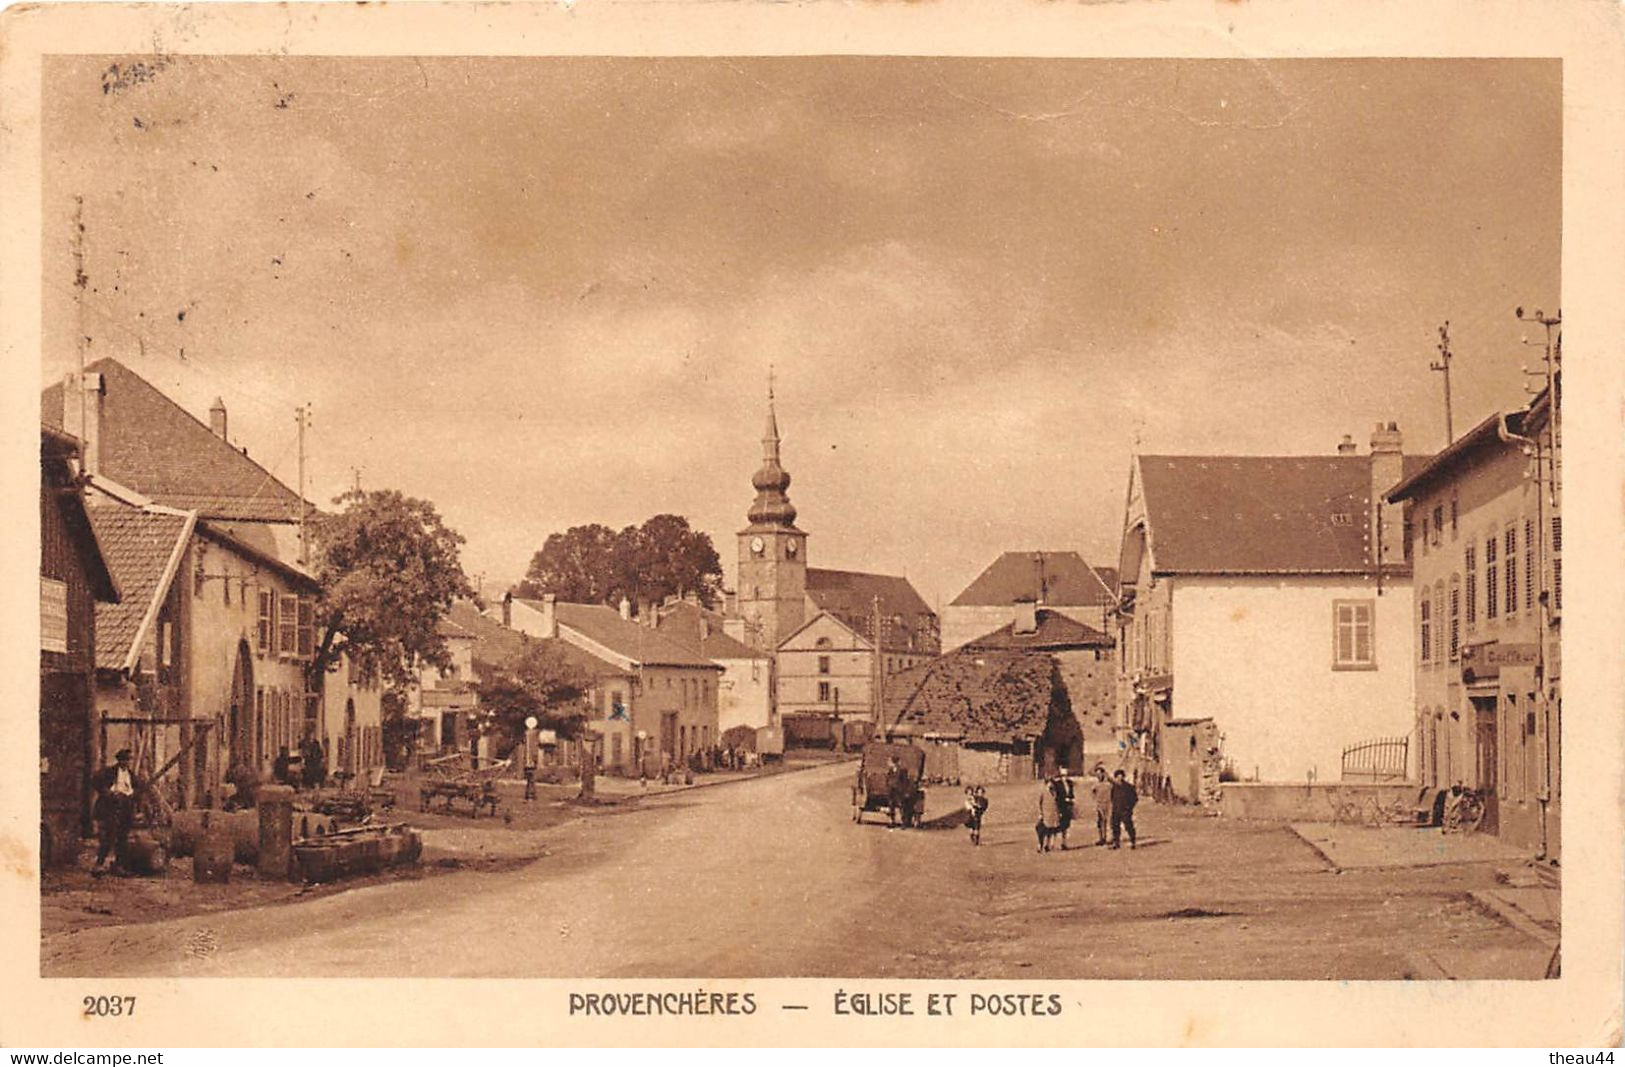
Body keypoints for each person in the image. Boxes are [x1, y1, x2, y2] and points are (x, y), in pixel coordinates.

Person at [90, 749, 142, 875]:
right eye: (125, 760)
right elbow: (95, 781)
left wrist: (134, 796)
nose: (128, 762)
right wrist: (107, 792)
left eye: (129, 760)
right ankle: (99, 865)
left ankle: (119, 866)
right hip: (111, 808)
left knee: (122, 838)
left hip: (125, 807)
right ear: (120, 761)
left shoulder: (131, 774)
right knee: (108, 837)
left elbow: (137, 788)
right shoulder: (109, 772)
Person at [1109, 768, 1138, 849]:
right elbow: (1112, 798)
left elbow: (1135, 799)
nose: (1119, 778)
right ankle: (1116, 842)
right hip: (1116, 810)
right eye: (1117, 776)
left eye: (1121, 776)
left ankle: (1133, 841)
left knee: (1128, 826)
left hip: (1126, 811)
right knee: (1115, 826)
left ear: (1123, 777)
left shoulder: (1129, 787)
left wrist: (1129, 808)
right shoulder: (1114, 787)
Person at [1036, 775, 1062, 852]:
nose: (1051, 785)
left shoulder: (1055, 792)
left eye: (1052, 783)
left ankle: (1049, 845)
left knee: (1053, 830)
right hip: (1045, 814)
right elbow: (1039, 803)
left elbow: (1057, 803)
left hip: (1054, 814)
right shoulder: (1043, 792)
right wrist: (1040, 813)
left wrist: (1059, 812)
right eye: (1049, 783)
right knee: (1042, 830)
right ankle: (1040, 845)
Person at [1053, 767, 1076, 850]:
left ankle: (1064, 842)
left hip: (1068, 806)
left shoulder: (1070, 783)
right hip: (1061, 806)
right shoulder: (1057, 784)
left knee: (1066, 825)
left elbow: (1072, 793)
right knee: (1058, 825)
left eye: (1066, 775)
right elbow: (1056, 796)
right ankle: (1054, 843)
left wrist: (1071, 799)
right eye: (1063, 775)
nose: (1065, 777)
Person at [1090, 765, 1113, 846]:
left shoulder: (1109, 784)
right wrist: (1096, 801)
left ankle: (1109, 838)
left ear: (1103, 774)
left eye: (1100, 774)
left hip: (1109, 804)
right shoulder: (1095, 784)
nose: (1099, 776)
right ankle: (1101, 838)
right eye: (1097, 774)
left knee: (1109, 821)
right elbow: (1093, 793)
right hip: (1099, 805)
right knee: (1100, 822)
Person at [884, 755, 908, 829]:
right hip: (891, 791)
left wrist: (904, 790)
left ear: (895, 762)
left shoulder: (902, 770)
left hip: (899, 791)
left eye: (890, 761)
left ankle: (903, 823)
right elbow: (887, 779)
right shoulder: (890, 770)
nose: (889, 763)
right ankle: (892, 822)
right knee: (891, 806)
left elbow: (904, 781)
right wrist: (888, 786)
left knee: (901, 806)